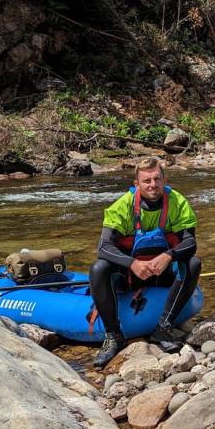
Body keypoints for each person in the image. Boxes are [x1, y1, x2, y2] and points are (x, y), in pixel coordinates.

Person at [89, 157, 201, 367]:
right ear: (137, 184)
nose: (153, 185)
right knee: (98, 269)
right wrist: (132, 264)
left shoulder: (177, 202)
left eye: (157, 179)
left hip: (162, 273)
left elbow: (190, 242)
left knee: (193, 263)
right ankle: (114, 336)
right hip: (130, 275)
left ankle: (163, 328)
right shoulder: (123, 206)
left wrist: (169, 256)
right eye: (147, 180)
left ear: (164, 180)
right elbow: (103, 248)